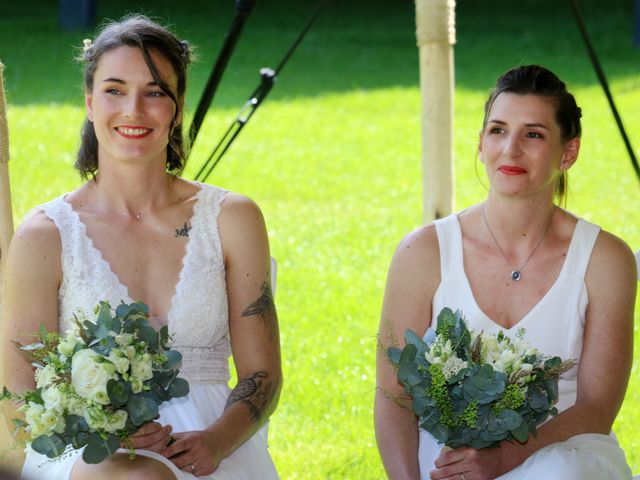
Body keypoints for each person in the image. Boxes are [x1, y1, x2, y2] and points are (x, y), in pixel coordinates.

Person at [3, 15, 281, 480]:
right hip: (83, 451)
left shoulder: (232, 218)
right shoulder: (45, 235)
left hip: (215, 441)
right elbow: (17, 394)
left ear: (176, 107)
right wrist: (99, 432)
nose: (133, 110)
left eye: (154, 92)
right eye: (114, 90)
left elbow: (263, 375)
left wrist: (216, 441)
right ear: (90, 103)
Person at [375, 65, 636, 480]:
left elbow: (598, 406)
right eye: (498, 130)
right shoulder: (422, 251)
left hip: (565, 453)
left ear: (568, 152)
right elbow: (393, 396)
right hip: (448, 458)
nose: (510, 150)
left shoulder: (606, 259)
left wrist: (505, 458)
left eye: (533, 134)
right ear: (481, 144)